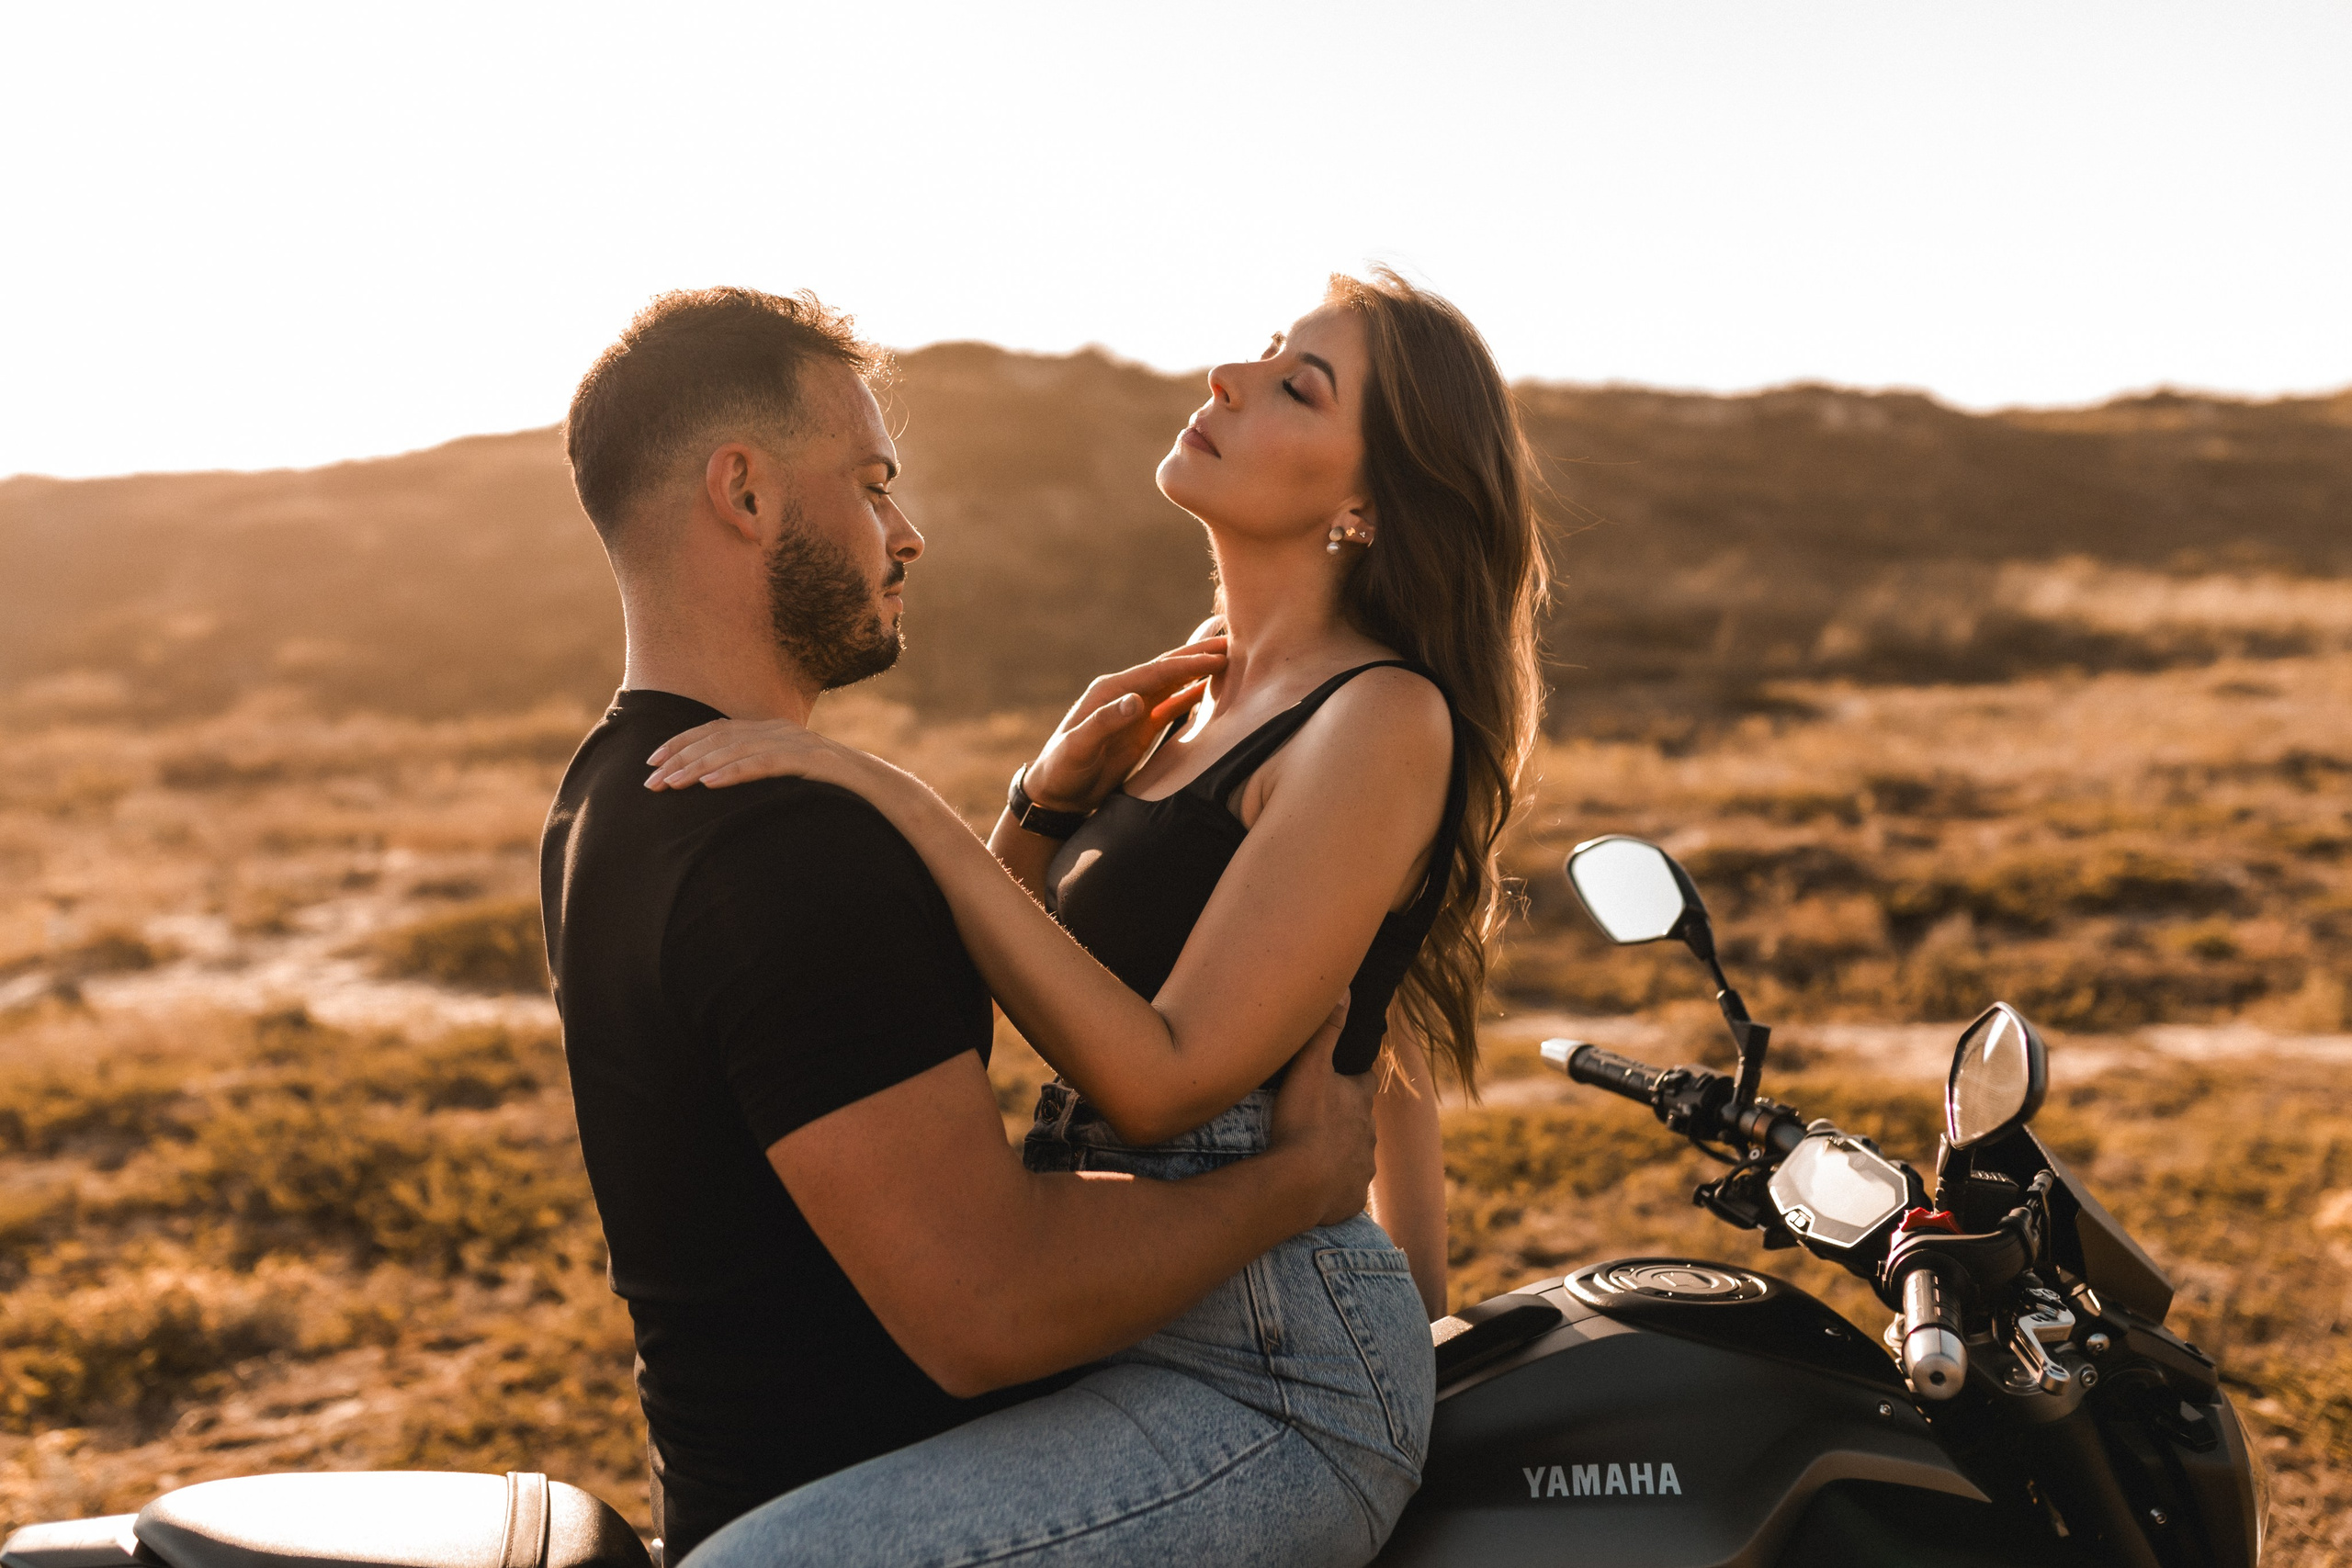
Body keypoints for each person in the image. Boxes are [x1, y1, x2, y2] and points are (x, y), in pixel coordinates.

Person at [648, 268, 1550, 1568]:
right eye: (1258, 352)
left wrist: (892, 795)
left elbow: (1163, 1079)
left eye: (1300, 384)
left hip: (1268, 1381)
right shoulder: (1189, 700)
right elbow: (979, 984)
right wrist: (1038, 808)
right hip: (1103, 1301)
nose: (1227, 380)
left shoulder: (1381, 716)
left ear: (1369, 504)